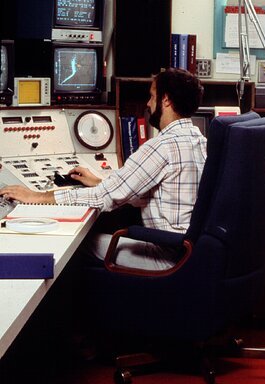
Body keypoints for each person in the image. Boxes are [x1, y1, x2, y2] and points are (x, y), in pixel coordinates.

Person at [0, 68, 207, 269]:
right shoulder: (200, 141)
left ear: (166, 99)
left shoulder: (161, 146)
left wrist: (38, 197)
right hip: (190, 255)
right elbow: (147, 191)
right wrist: (99, 181)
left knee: (75, 243)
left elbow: (103, 197)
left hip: (164, 257)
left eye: (152, 96)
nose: (148, 103)